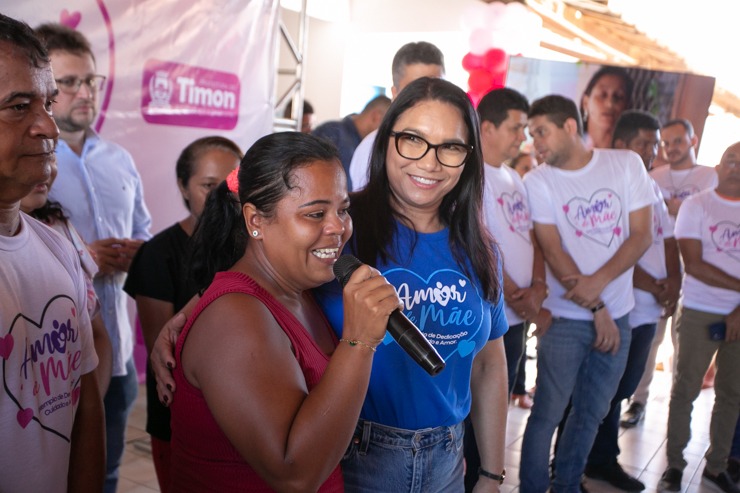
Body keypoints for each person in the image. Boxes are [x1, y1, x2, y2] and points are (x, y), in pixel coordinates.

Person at [153, 77, 509, 492]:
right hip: (356, 448)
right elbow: (256, 279)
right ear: (385, 140)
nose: (429, 162)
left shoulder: (478, 247)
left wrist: (491, 473)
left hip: (446, 454)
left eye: (450, 146)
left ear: (469, 156)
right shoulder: (340, 225)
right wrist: (187, 316)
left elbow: (488, 362)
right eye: (413, 139)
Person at [171, 131, 400, 491]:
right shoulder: (235, 318)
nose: (338, 227)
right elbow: (294, 474)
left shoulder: (305, 287)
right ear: (256, 221)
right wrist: (359, 341)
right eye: (315, 213)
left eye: (342, 209)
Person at [34, 22, 153, 493]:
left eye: (92, 80)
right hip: (52, 358)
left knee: (104, 472)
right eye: (69, 83)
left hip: (118, 350)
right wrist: (82, 258)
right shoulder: (29, 161)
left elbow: (142, 229)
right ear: (43, 89)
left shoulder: (119, 159)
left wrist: (137, 253)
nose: (85, 92)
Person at [519, 95, 654, 493]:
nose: (535, 144)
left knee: (592, 413)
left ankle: (565, 486)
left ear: (570, 126)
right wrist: (596, 304)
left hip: (620, 315)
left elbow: (642, 234)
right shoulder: (537, 180)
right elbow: (552, 249)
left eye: (541, 132)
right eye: (530, 135)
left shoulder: (624, 164)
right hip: (563, 318)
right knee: (547, 414)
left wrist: (600, 288)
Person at [0, 13, 104, 491]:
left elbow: (83, 406)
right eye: (19, 106)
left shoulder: (58, 249)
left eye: (46, 103)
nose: (48, 126)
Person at [123, 136, 241, 491]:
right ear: (183, 187)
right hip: (181, 422)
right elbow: (168, 354)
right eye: (208, 185)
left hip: (241, 420)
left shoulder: (252, 248)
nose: (222, 196)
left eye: (232, 184)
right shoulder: (159, 255)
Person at [581, 110, 680, 492]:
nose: (653, 151)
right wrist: (654, 283)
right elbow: (616, 251)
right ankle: (588, 461)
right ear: (621, 145)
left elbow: (666, 239)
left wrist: (673, 283)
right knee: (602, 391)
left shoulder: (649, 184)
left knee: (621, 390)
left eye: (655, 144)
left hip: (650, 308)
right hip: (623, 305)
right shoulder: (611, 186)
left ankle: (603, 458)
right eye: (644, 143)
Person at [470, 86, 551, 491]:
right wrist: (514, 289)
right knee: (473, 416)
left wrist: (537, 285)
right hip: (488, 317)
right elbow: (474, 244)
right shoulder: (469, 177)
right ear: (487, 127)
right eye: (516, 127)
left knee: (496, 408)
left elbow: (529, 236)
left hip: (516, 317)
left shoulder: (514, 177)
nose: (523, 137)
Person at [622, 118, 719, 427]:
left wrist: (678, 205)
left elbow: (713, 215)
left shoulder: (711, 176)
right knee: (649, 339)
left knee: (684, 343)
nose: (670, 148)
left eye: (678, 141)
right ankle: (638, 401)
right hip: (655, 270)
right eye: (665, 143)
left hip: (697, 271)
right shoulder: (652, 175)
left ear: (693, 140)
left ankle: (679, 407)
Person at [658, 142, 740, 493]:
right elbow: (694, 265)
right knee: (685, 390)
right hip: (699, 310)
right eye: (730, 159)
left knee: (732, 394)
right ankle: (674, 465)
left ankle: (717, 466)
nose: (735, 166)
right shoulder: (696, 205)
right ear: (718, 166)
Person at [20, 157, 113, 394]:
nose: (45, 169)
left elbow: (97, 335)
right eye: (25, 155)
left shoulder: (60, 229)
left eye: (50, 154)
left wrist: (90, 409)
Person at [348, 41, 445, 191]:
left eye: (438, 88)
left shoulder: (456, 142)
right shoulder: (373, 148)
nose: (428, 96)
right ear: (395, 94)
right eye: (416, 89)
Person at [312, 94, 391, 189]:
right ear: (376, 117)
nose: (387, 133)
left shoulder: (369, 145)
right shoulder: (331, 133)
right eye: (388, 126)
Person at [580, 65, 633, 150]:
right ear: (585, 103)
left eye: (618, 96)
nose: (610, 104)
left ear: (627, 106)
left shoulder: (631, 155)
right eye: (602, 95)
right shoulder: (573, 149)